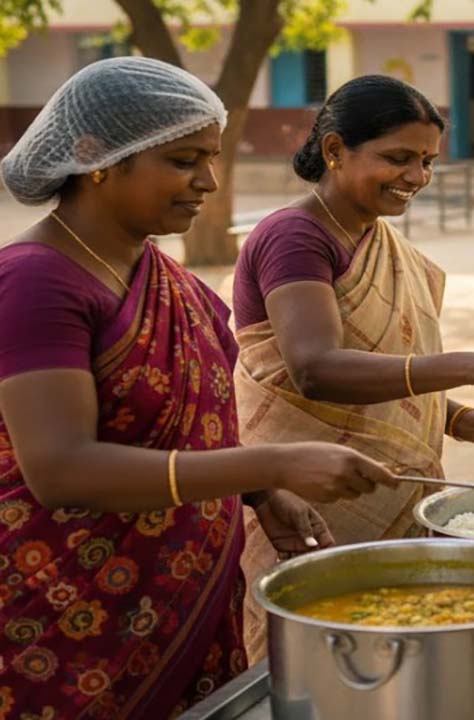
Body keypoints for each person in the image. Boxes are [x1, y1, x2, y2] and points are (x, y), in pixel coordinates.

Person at [0, 57, 391, 718]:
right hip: (70, 615)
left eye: (211, 158)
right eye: (184, 161)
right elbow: (61, 469)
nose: (210, 181)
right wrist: (272, 464)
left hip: (186, 594)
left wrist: (263, 496)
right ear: (95, 157)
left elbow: (199, 422)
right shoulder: (37, 281)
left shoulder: (165, 277)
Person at [231, 75, 474, 659]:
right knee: (318, 658)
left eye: (428, 161)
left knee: (382, 654)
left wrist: (470, 424)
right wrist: (472, 365)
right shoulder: (294, 236)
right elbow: (315, 370)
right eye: (398, 158)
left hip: (379, 490)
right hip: (308, 495)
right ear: (335, 150)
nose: (417, 177)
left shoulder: (375, 239)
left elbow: (385, 377)